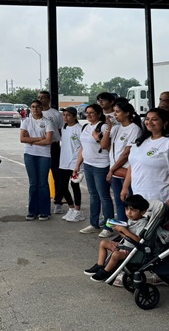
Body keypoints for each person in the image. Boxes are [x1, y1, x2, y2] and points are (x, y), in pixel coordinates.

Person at [121, 109, 169, 203]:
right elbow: (133, 166)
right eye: (147, 119)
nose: (149, 122)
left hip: (162, 198)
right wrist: (125, 187)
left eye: (154, 119)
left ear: (165, 122)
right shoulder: (140, 141)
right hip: (139, 196)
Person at [85, 194, 150, 282]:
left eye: (133, 210)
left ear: (142, 212)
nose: (128, 213)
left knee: (116, 254)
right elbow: (126, 235)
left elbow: (139, 240)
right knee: (103, 243)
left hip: (133, 251)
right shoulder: (132, 219)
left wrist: (124, 230)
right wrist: (120, 231)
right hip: (125, 245)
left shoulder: (142, 223)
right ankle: (100, 265)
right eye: (126, 209)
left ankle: (106, 272)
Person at [74, 104, 112, 237]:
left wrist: (97, 137)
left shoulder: (104, 127)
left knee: (104, 196)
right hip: (88, 164)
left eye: (92, 112)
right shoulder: (85, 127)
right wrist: (78, 164)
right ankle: (94, 223)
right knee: (93, 195)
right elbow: (82, 147)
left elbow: (107, 146)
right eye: (87, 112)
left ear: (99, 114)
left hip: (101, 165)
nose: (89, 115)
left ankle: (108, 226)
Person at [102, 100, 143, 223]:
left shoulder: (134, 129)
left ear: (127, 113)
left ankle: (131, 227)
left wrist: (112, 170)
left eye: (118, 112)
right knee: (119, 202)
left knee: (129, 203)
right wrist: (109, 127)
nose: (115, 114)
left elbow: (126, 153)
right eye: (114, 112)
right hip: (115, 170)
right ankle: (122, 226)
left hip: (125, 170)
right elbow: (104, 145)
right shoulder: (116, 128)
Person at [20, 100, 54, 220]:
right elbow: (22, 139)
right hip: (30, 154)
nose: (35, 109)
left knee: (43, 183)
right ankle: (32, 211)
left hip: (44, 155)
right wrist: (40, 138)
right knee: (33, 183)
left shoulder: (47, 122)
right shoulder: (26, 121)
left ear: (41, 108)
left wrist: (31, 140)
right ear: (30, 108)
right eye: (33, 107)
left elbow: (48, 141)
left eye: (38, 107)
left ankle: (45, 211)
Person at [38, 91, 67, 214]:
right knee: (41, 176)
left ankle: (58, 202)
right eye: (39, 98)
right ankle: (42, 202)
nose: (41, 100)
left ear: (49, 99)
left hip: (54, 146)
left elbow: (62, 131)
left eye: (43, 98)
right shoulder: (35, 114)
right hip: (40, 146)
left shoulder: (56, 114)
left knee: (57, 175)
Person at [59, 107, 84, 222]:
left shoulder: (79, 129)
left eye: (68, 115)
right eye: (64, 115)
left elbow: (83, 146)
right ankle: (71, 208)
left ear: (74, 116)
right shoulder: (64, 128)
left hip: (75, 162)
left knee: (75, 186)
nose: (65, 117)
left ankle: (78, 211)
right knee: (62, 186)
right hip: (64, 161)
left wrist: (78, 163)